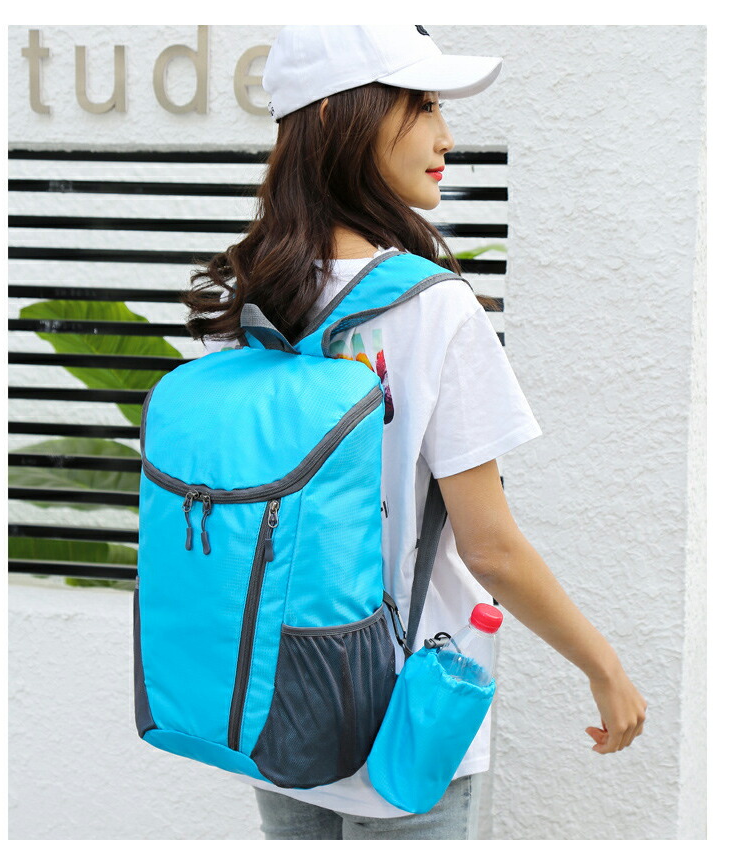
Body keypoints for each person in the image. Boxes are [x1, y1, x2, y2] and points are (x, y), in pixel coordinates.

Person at [180, 24, 647, 841]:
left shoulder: (248, 303)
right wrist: (603, 667)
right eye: (423, 105)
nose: (446, 136)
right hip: (405, 725)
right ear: (340, 118)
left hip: (275, 703)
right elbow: (490, 548)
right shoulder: (433, 309)